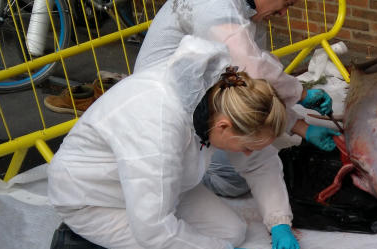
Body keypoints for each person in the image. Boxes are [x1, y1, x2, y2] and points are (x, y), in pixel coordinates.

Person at [48, 36, 300, 249]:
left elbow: (259, 162)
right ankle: (87, 244)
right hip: (93, 198)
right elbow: (154, 227)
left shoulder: (219, 99)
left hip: (155, 186)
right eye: (245, 147)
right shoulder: (157, 129)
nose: (247, 153)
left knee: (231, 233)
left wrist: (279, 221)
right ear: (224, 126)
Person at [135, 0, 340, 198]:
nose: (283, 13)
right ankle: (183, 173)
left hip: (199, 95)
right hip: (161, 109)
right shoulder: (216, 8)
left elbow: (255, 87)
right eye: (286, 3)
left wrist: (301, 126)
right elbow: (252, 70)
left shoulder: (249, 14)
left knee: (252, 151)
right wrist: (300, 93)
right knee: (233, 178)